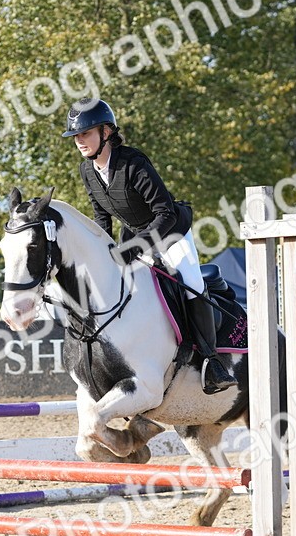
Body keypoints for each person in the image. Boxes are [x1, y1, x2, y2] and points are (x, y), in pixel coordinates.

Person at [62, 97, 237, 394]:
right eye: (77, 136)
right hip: (132, 234)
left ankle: (212, 362)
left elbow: (165, 213)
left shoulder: (134, 163)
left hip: (171, 232)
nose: (80, 141)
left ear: (106, 132)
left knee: (190, 281)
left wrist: (141, 245)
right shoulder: (87, 171)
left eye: (86, 133)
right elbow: (101, 217)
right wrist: (101, 253)